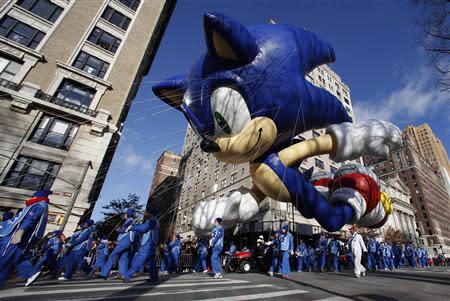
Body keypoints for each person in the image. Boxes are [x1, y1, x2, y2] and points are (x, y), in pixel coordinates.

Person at [0, 190, 51, 289]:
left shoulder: (39, 204)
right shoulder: (40, 205)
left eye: (33, 196)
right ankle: (30, 272)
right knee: (16, 257)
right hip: (18, 236)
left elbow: (30, 220)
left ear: (36, 196)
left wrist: (20, 231)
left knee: (4, 257)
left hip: (14, 235)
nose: (31, 198)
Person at [122, 208, 159, 282]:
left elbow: (144, 228)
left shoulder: (152, 221)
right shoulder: (154, 220)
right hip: (151, 243)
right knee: (151, 261)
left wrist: (132, 227)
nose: (145, 213)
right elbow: (143, 226)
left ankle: (127, 276)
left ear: (150, 213)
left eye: (147, 212)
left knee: (139, 259)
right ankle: (154, 277)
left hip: (149, 243)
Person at [99, 208, 136, 279]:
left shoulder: (130, 220)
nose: (125, 215)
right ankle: (123, 274)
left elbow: (125, 229)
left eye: (126, 213)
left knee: (113, 254)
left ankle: (104, 273)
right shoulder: (130, 220)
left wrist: (119, 229)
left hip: (125, 240)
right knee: (123, 257)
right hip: (126, 241)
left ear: (128, 214)